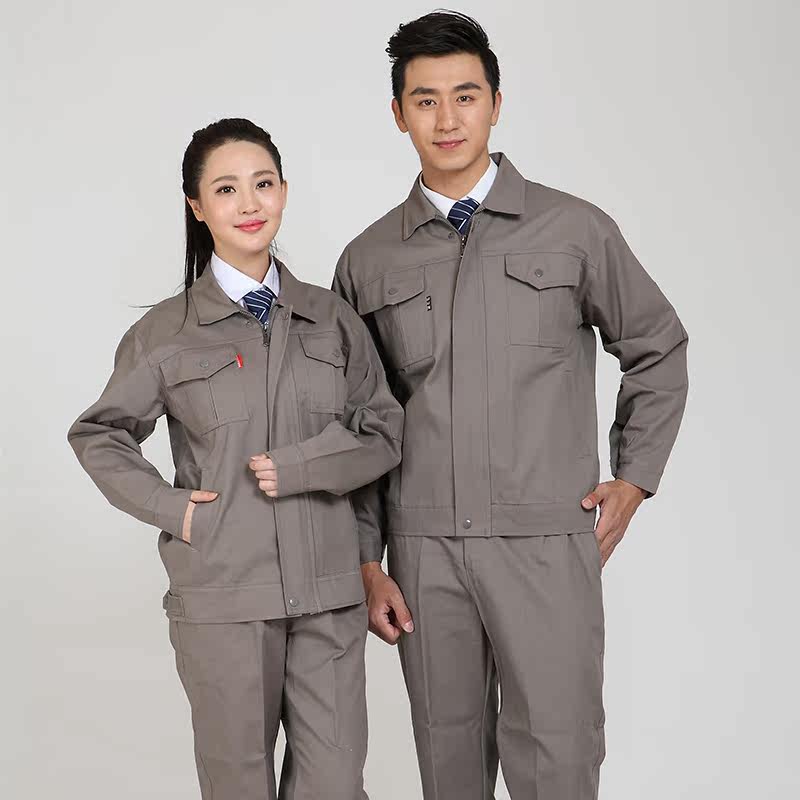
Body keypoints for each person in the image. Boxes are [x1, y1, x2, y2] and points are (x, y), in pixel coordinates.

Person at [332, 12, 689, 800]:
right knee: (448, 763)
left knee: (558, 756)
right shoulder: (368, 259)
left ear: (496, 103)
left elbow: (657, 344)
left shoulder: (574, 230)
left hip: (544, 541)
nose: (447, 119)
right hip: (423, 549)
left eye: (465, 96)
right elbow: (356, 424)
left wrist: (635, 477)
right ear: (397, 114)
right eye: (425, 100)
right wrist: (366, 559)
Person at [67, 117, 403, 800]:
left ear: (284, 191)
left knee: (335, 785)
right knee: (237, 786)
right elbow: (99, 434)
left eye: (263, 184)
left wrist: (306, 468)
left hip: (328, 597)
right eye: (226, 189)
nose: (249, 204)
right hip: (223, 597)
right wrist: (176, 511)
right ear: (197, 206)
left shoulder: (331, 319)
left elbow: (383, 430)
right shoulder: (165, 333)